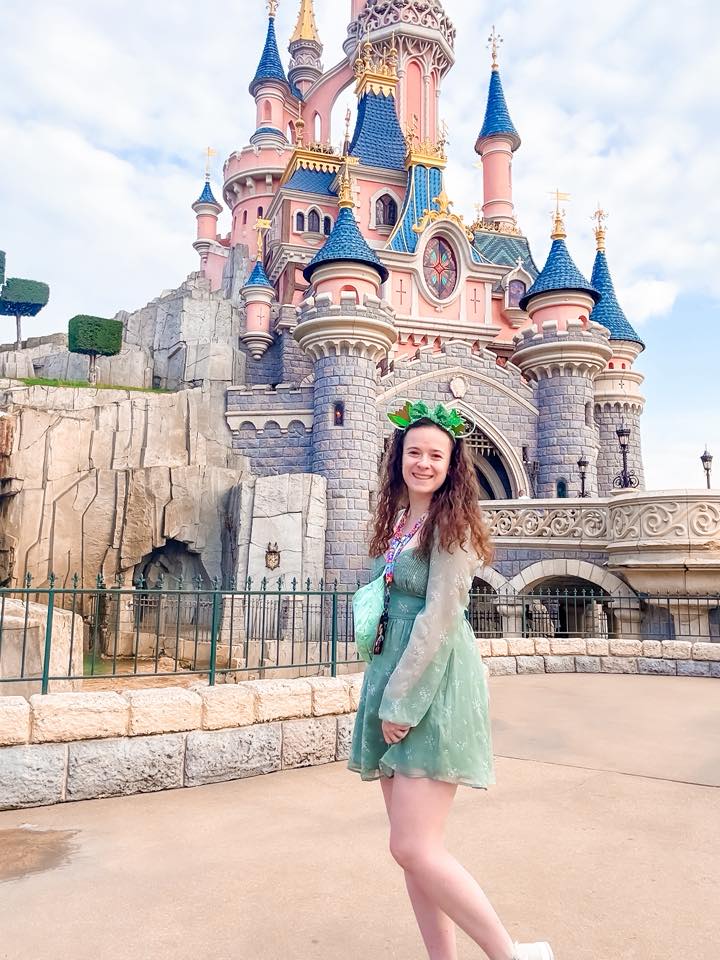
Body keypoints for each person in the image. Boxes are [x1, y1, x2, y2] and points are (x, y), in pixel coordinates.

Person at [348, 400, 555, 960]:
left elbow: (440, 618)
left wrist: (400, 702)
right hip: (391, 676)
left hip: (429, 687)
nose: (423, 463)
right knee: (413, 853)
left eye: (435, 455)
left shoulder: (452, 527)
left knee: (413, 846)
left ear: (451, 464)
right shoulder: (399, 520)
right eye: (414, 452)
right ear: (398, 458)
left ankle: (510, 954)